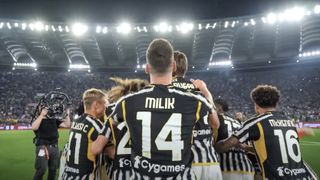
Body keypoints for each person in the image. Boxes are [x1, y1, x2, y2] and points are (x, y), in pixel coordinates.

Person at [92, 38, 217, 179]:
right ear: (174, 66)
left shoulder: (126, 103)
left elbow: (100, 141)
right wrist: (205, 91)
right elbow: (215, 123)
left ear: (147, 68)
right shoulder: (196, 101)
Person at [215, 85, 318, 180]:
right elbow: (272, 150)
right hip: (303, 176)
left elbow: (225, 145)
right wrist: (245, 148)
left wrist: (210, 146)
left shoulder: (256, 123)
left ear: (256, 104)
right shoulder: (289, 122)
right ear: (276, 103)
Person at [172, 50, 222, 180]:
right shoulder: (198, 88)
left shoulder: (164, 89)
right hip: (208, 160)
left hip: (179, 164)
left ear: (169, 66)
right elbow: (215, 124)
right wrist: (206, 91)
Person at [60, 88, 108, 180]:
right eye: (104, 103)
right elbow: (110, 152)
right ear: (96, 105)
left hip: (68, 176)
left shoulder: (76, 122)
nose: (106, 107)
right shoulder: (96, 125)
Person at [214, 98, 254, 180]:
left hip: (226, 169)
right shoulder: (239, 123)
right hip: (247, 169)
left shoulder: (215, 119)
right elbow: (247, 148)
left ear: (219, 108)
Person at [31, 106, 71, 180]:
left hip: (54, 147)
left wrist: (67, 114)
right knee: (41, 169)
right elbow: (34, 127)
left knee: (53, 170)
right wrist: (41, 115)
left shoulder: (53, 120)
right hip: (42, 147)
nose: (45, 109)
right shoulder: (39, 120)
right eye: (43, 108)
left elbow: (67, 125)